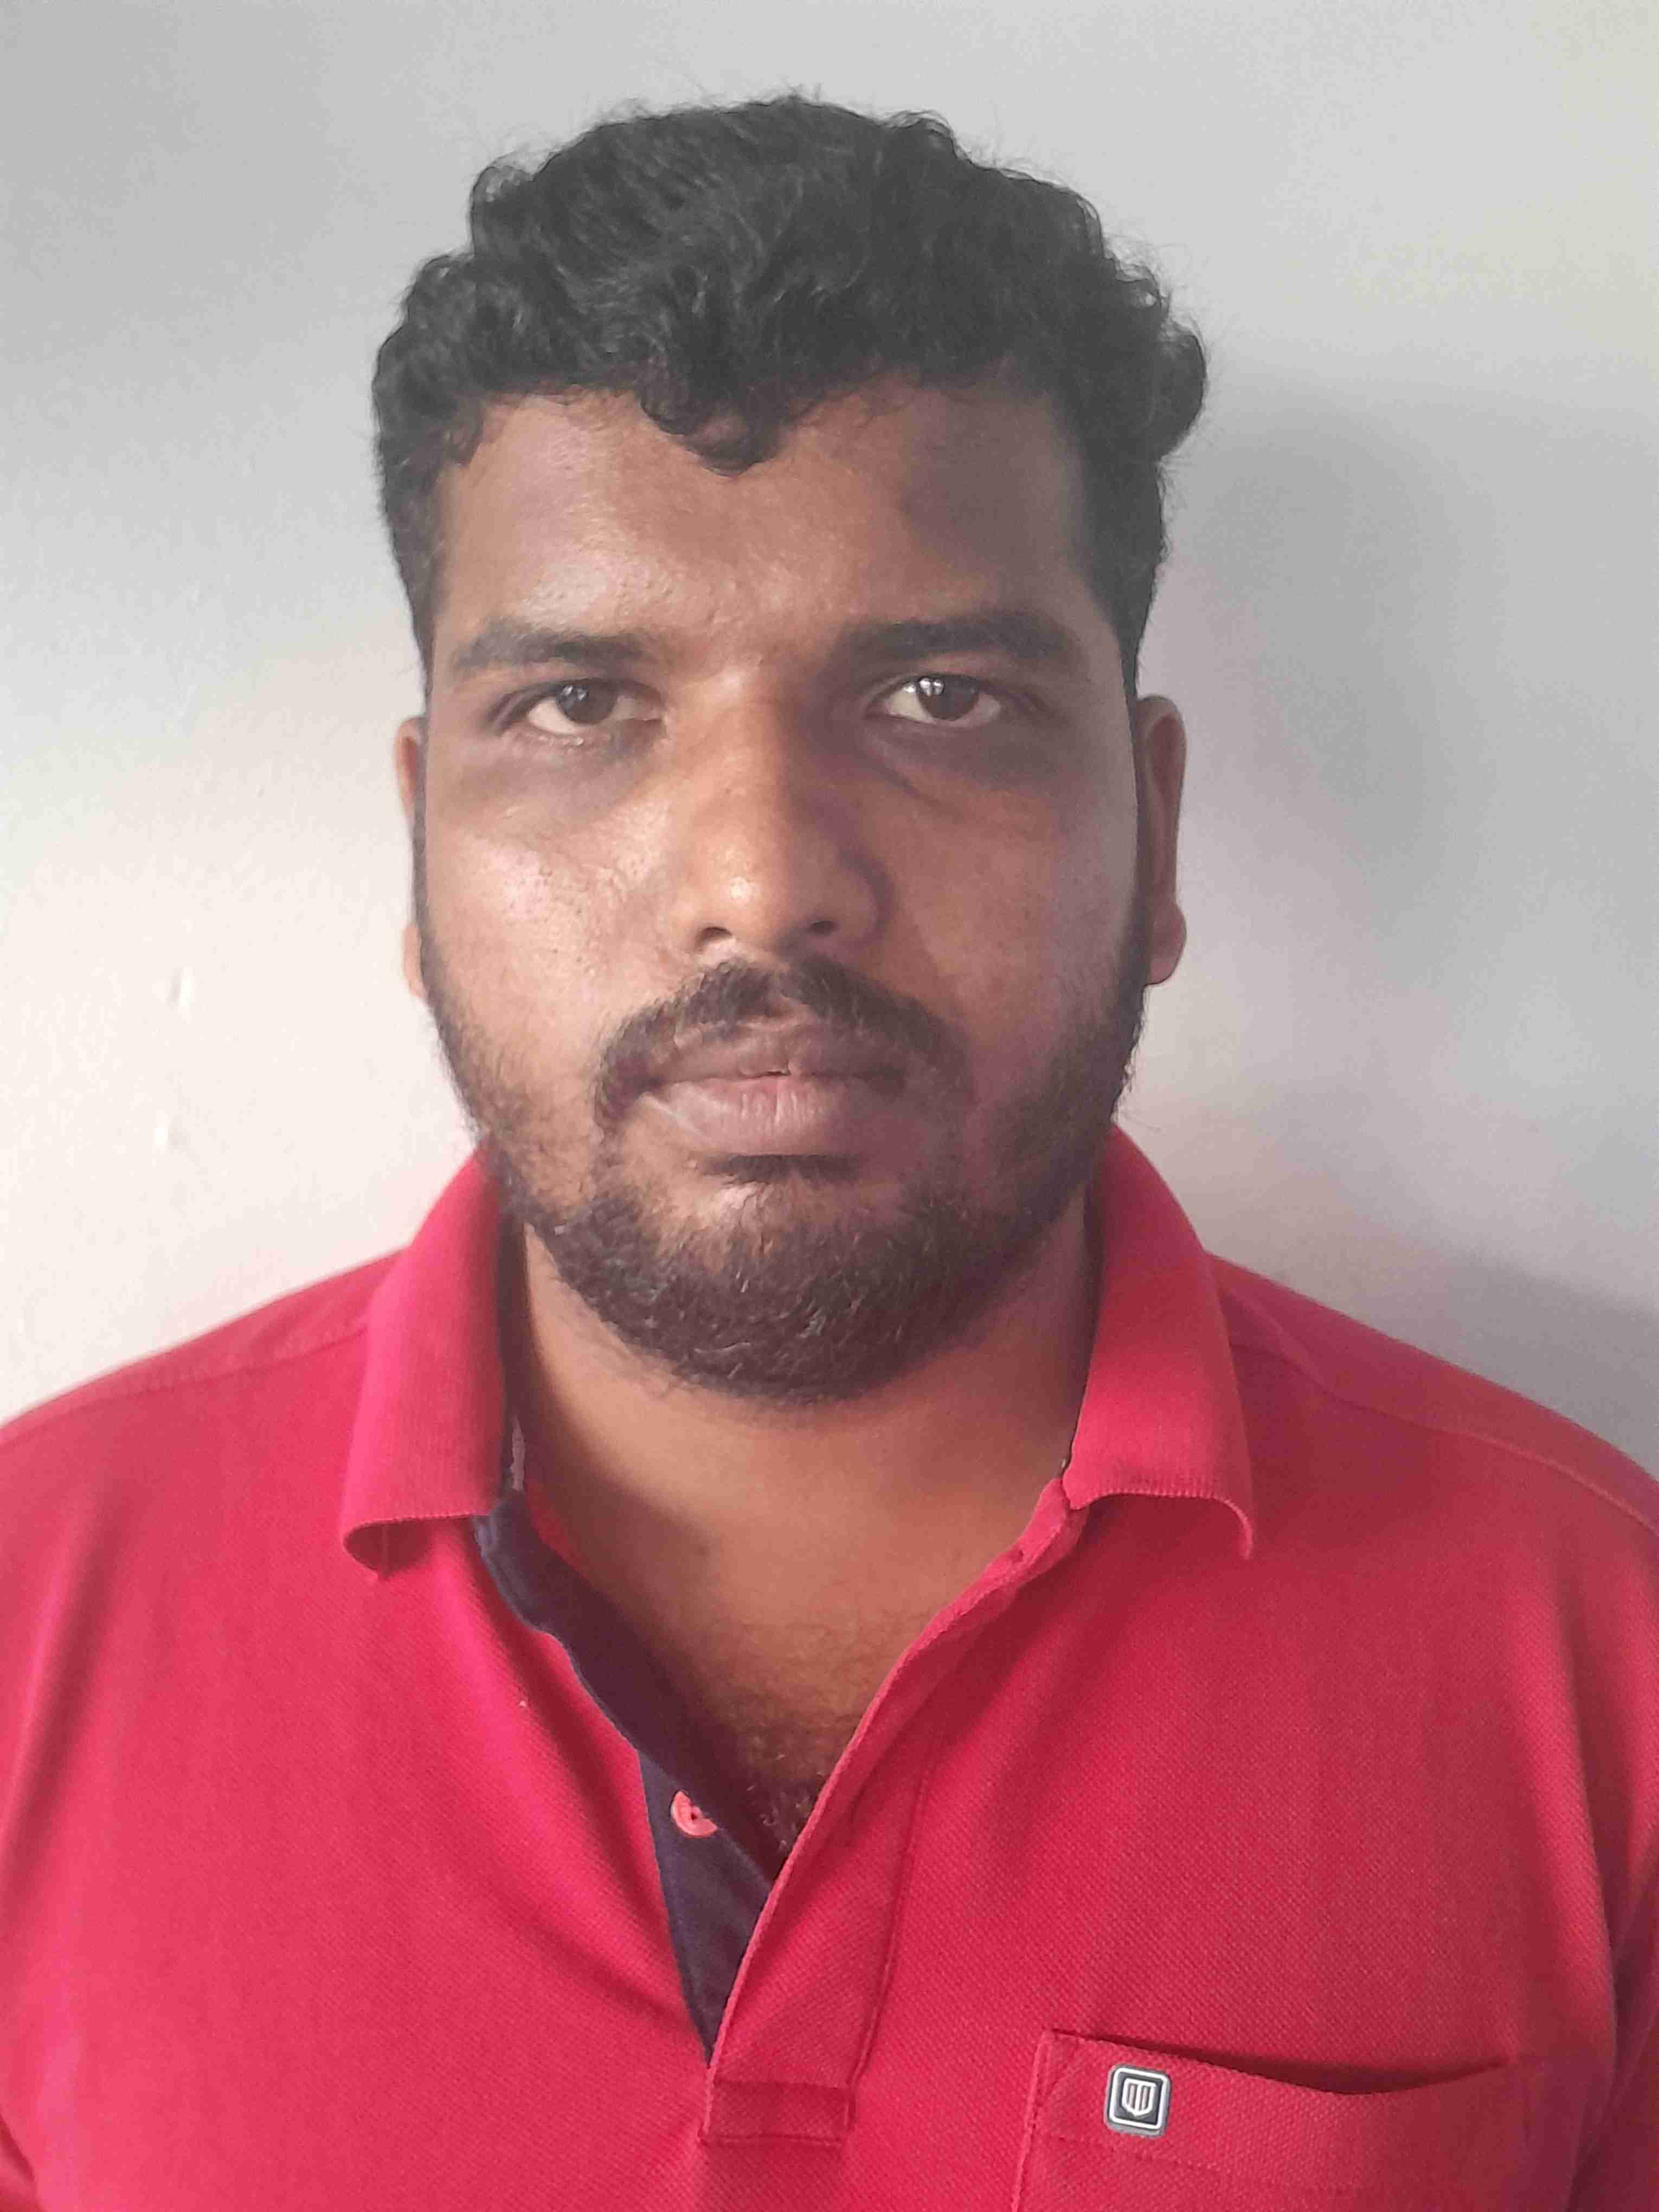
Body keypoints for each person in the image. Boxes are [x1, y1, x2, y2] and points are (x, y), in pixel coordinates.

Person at [0, 92, 1652, 2211]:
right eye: (582, 706)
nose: (764, 883)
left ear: (1153, 831)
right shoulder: (30, 1618)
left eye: (940, 698)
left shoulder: (1600, 1656)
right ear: (418, 844)